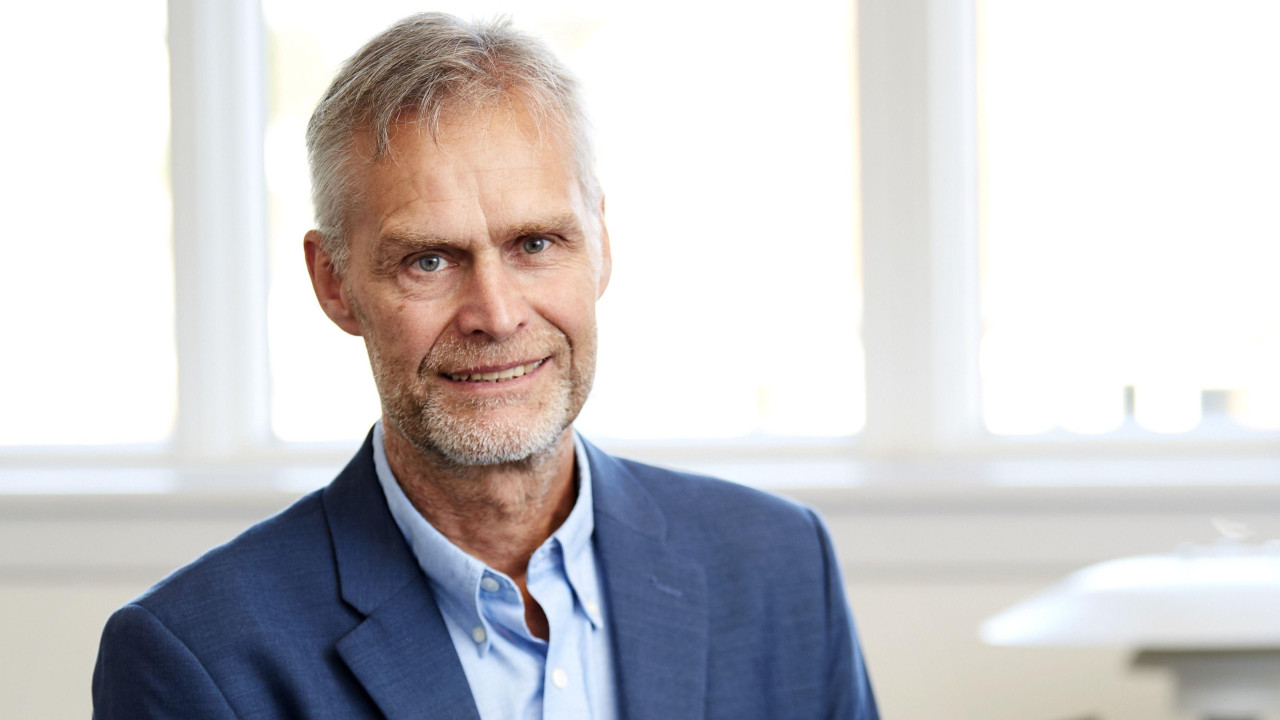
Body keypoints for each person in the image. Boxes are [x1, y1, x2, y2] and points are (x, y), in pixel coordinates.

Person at [92, 12, 879, 719]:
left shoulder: (780, 568)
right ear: (334, 282)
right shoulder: (197, 658)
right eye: (428, 261)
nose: (497, 314)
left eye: (536, 244)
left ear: (600, 244)